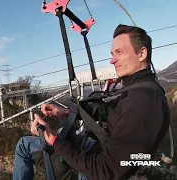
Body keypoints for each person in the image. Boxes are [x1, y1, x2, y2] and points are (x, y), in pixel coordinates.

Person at [12, 24, 170, 180]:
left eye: (119, 52)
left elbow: (103, 171)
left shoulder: (143, 103)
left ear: (142, 53)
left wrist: (53, 140)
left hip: (93, 167)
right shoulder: (139, 90)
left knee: (24, 146)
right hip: (99, 148)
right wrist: (66, 112)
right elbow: (110, 110)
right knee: (47, 138)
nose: (112, 60)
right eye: (112, 53)